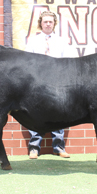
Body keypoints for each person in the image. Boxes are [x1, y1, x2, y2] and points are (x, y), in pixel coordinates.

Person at [25, 10, 70, 159]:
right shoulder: (33, 41)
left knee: (58, 113)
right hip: (37, 83)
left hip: (57, 83)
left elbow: (68, 62)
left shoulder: (61, 41)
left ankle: (58, 147)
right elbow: (27, 63)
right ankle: (34, 148)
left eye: (51, 21)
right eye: (45, 21)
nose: (48, 24)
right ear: (41, 23)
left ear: (54, 23)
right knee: (35, 113)